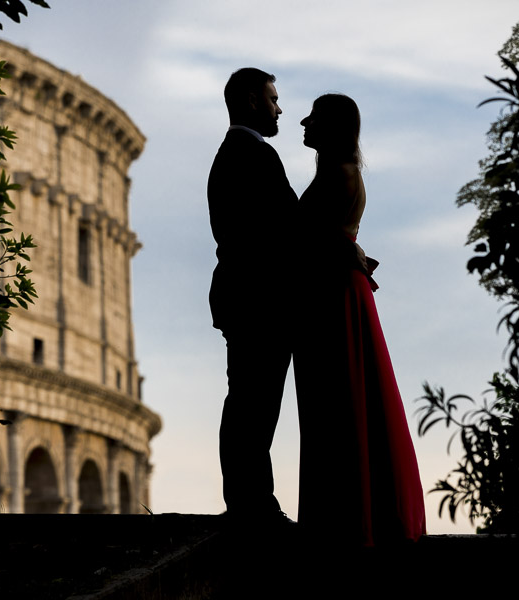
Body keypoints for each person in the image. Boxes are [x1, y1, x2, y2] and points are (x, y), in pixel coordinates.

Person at [294, 93, 426, 545]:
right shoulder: (343, 173)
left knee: (341, 401)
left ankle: (349, 519)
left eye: (314, 116)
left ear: (331, 126)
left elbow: (312, 242)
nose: (303, 122)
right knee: (346, 399)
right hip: (337, 291)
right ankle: (356, 513)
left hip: (334, 295)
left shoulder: (340, 174)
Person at [208, 68, 297, 525]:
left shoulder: (234, 154)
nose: (280, 108)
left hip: (245, 297)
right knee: (253, 404)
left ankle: (250, 500)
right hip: (258, 301)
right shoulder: (254, 155)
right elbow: (290, 228)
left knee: (249, 401)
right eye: (273, 98)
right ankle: (253, 504)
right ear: (250, 100)